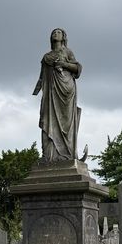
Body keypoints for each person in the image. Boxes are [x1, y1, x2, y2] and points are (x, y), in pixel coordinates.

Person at [32, 28, 82, 163]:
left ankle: (68, 153)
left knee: (66, 122)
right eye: (53, 32)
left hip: (65, 89)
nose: (55, 34)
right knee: (47, 119)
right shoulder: (46, 57)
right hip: (50, 93)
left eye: (58, 32)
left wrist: (64, 64)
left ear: (63, 37)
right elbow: (42, 77)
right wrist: (37, 90)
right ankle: (48, 156)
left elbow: (78, 68)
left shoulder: (67, 52)